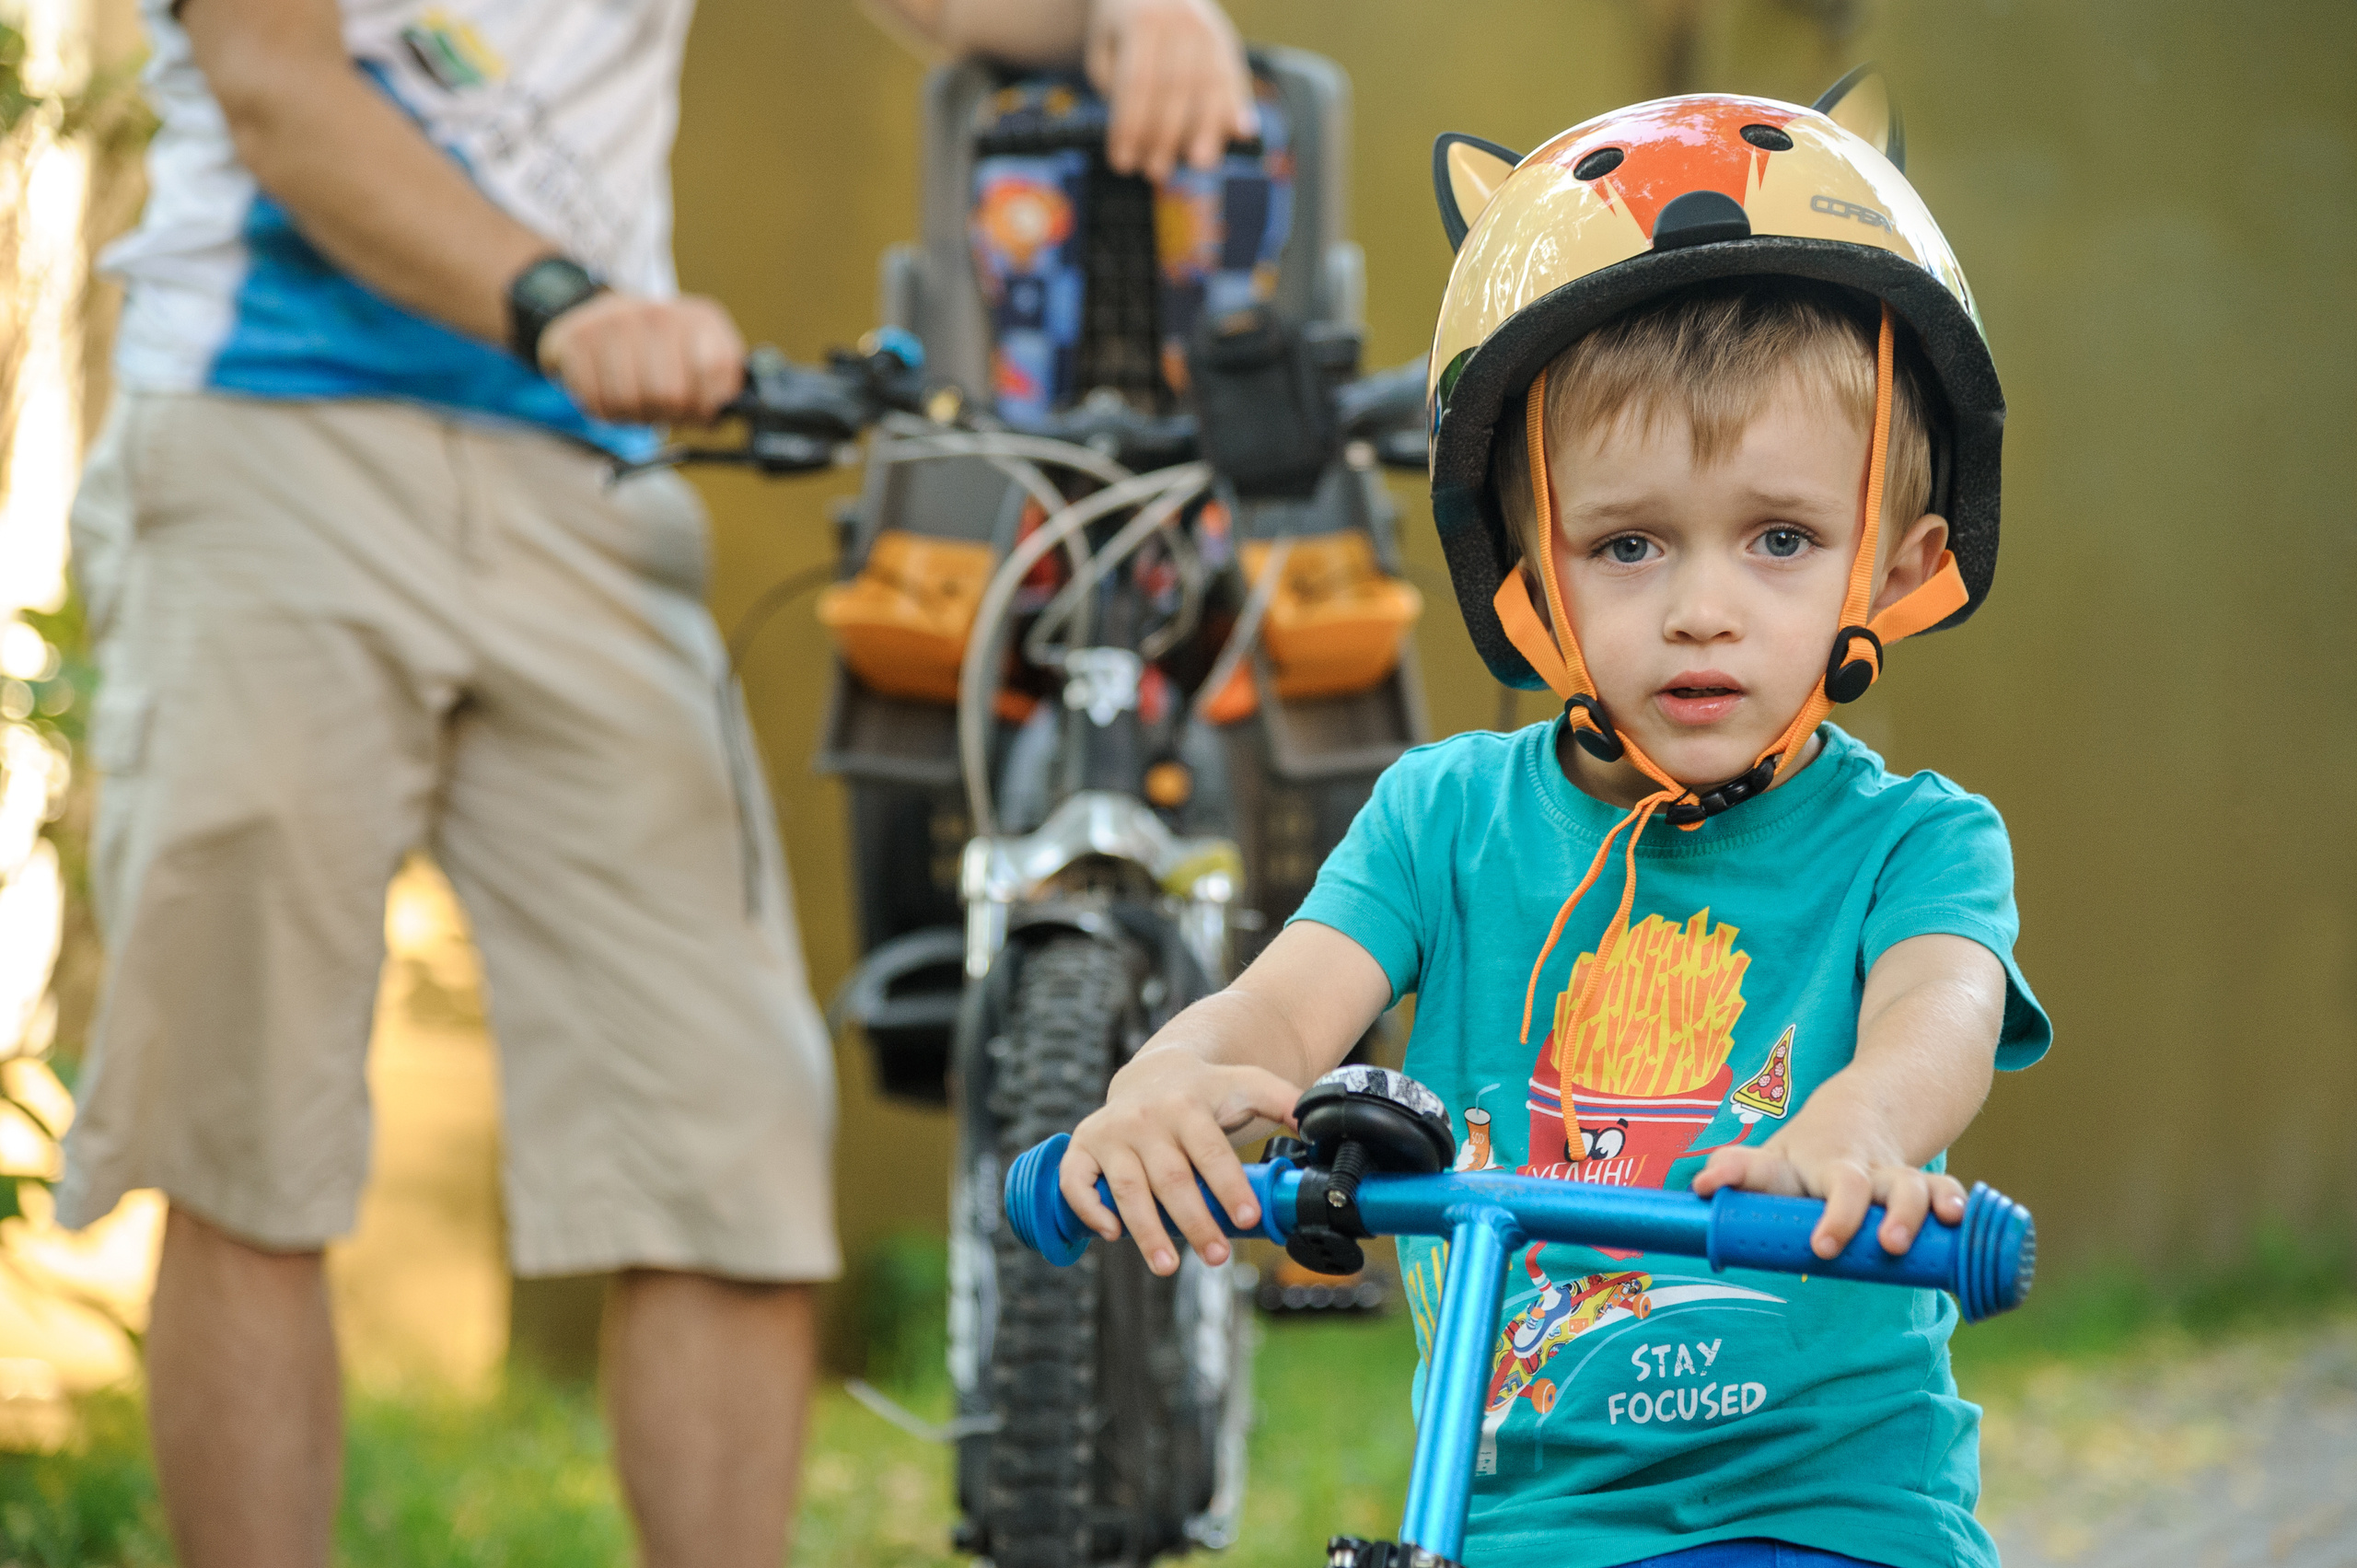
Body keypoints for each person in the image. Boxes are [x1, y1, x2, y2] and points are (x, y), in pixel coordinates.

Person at [57, 0, 1252, 1564]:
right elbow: (280, 84)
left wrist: (1119, 9)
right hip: (272, 430)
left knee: (724, 1137)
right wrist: (557, 300)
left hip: (590, 473)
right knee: (248, 1148)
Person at [1060, 81, 2049, 1568]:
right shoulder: (1440, 821)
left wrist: (1856, 1130)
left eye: (1781, 540)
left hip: (1826, 1515)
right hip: (1514, 1520)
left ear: (1892, 562)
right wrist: (1169, 1079)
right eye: (1628, 543)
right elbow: (1282, 1011)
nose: (1702, 606)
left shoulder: (1920, 844)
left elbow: (1941, 1012)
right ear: (1527, 564)